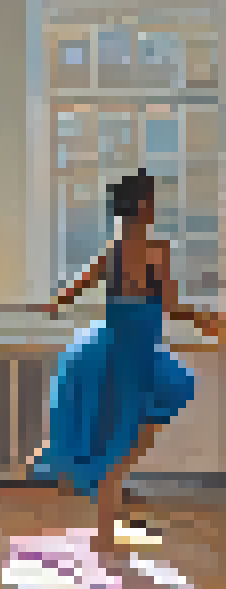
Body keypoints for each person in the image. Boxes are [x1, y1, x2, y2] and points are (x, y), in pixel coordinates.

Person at [39, 170, 221, 555]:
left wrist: (55, 303)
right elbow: (169, 305)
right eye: (152, 199)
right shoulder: (156, 249)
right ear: (141, 205)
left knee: (116, 440)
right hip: (133, 352)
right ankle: (105, 528)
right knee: (124, 441)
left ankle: (107, 518)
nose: (156, 206)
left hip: (112, 347)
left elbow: (68, 294)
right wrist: (206, 321)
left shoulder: (113, 250)